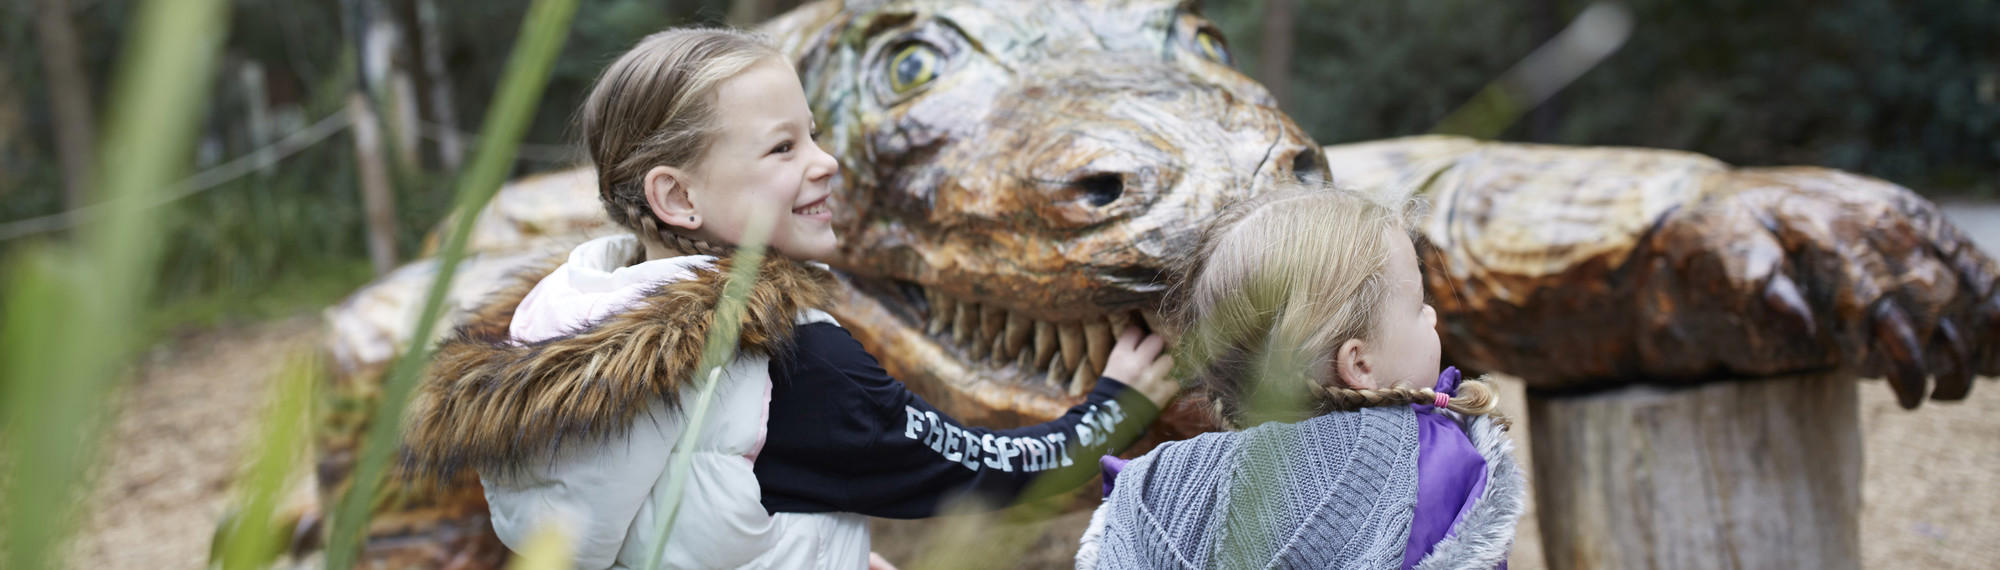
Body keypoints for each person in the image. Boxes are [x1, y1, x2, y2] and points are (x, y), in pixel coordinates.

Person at [395, 28, 1179, 569]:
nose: (827, 162)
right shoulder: (795, 362)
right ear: (678, 196)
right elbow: (977, 472)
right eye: (782, 147)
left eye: (813, 133)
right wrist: (1113, 406)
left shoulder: (557, 315)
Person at [1076, 187, 1524, 569]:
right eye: (1416, 306)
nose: (1429, 314)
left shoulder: (1160, 492)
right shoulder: (1439, 460)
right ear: (1360, 364)